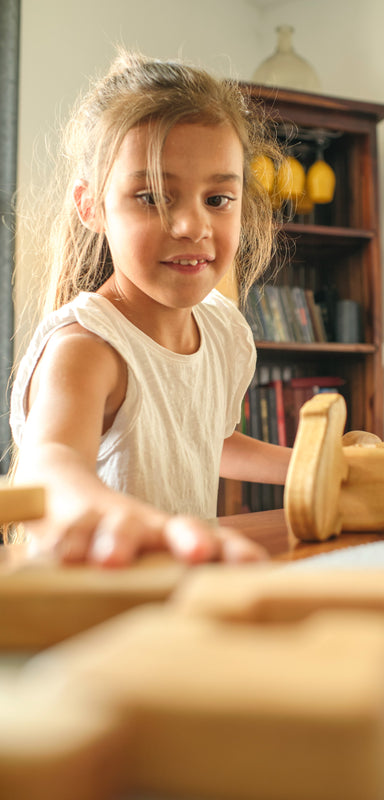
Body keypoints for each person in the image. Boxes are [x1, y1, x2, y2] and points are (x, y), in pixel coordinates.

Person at [9, 50, 292, 566]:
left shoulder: (224, 331)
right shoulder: (86, 347)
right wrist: (112, 519)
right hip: (95, 613)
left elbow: (210, 440)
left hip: (180, 595)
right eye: (153, 196)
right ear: (90, 206)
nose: (191, 226)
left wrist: (312, 465)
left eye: (217, 199)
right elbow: (48, 467)